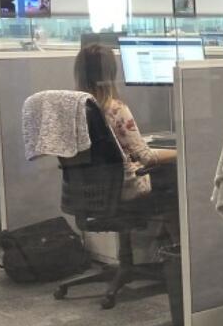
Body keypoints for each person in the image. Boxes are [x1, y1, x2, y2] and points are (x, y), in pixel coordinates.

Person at [74, 44, 177, 210]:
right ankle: (177, 235)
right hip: (126, 188)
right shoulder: (115, 109)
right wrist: (183, 152)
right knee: (178, 181)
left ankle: (156, 235)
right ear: (110, 73)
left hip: (90, 190)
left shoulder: (75, 109)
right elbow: (146, 157)